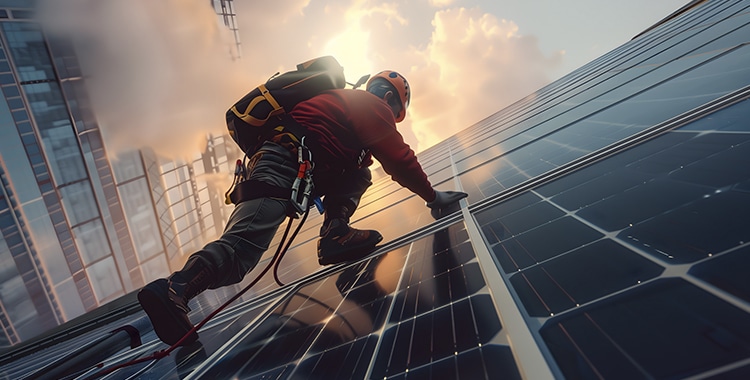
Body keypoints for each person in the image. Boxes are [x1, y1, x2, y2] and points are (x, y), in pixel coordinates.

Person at [138, 70, 468, 346]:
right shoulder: (371, 105)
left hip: (291, 165)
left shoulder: (345, 111)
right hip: (283, 162)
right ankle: (174, 288)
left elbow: (349, 169)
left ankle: (335, 233)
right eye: (394, 108)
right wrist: (432, 197)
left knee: (359, 171)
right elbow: (399, 159)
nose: (390, 113)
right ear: (391, 102)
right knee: (242, 251)